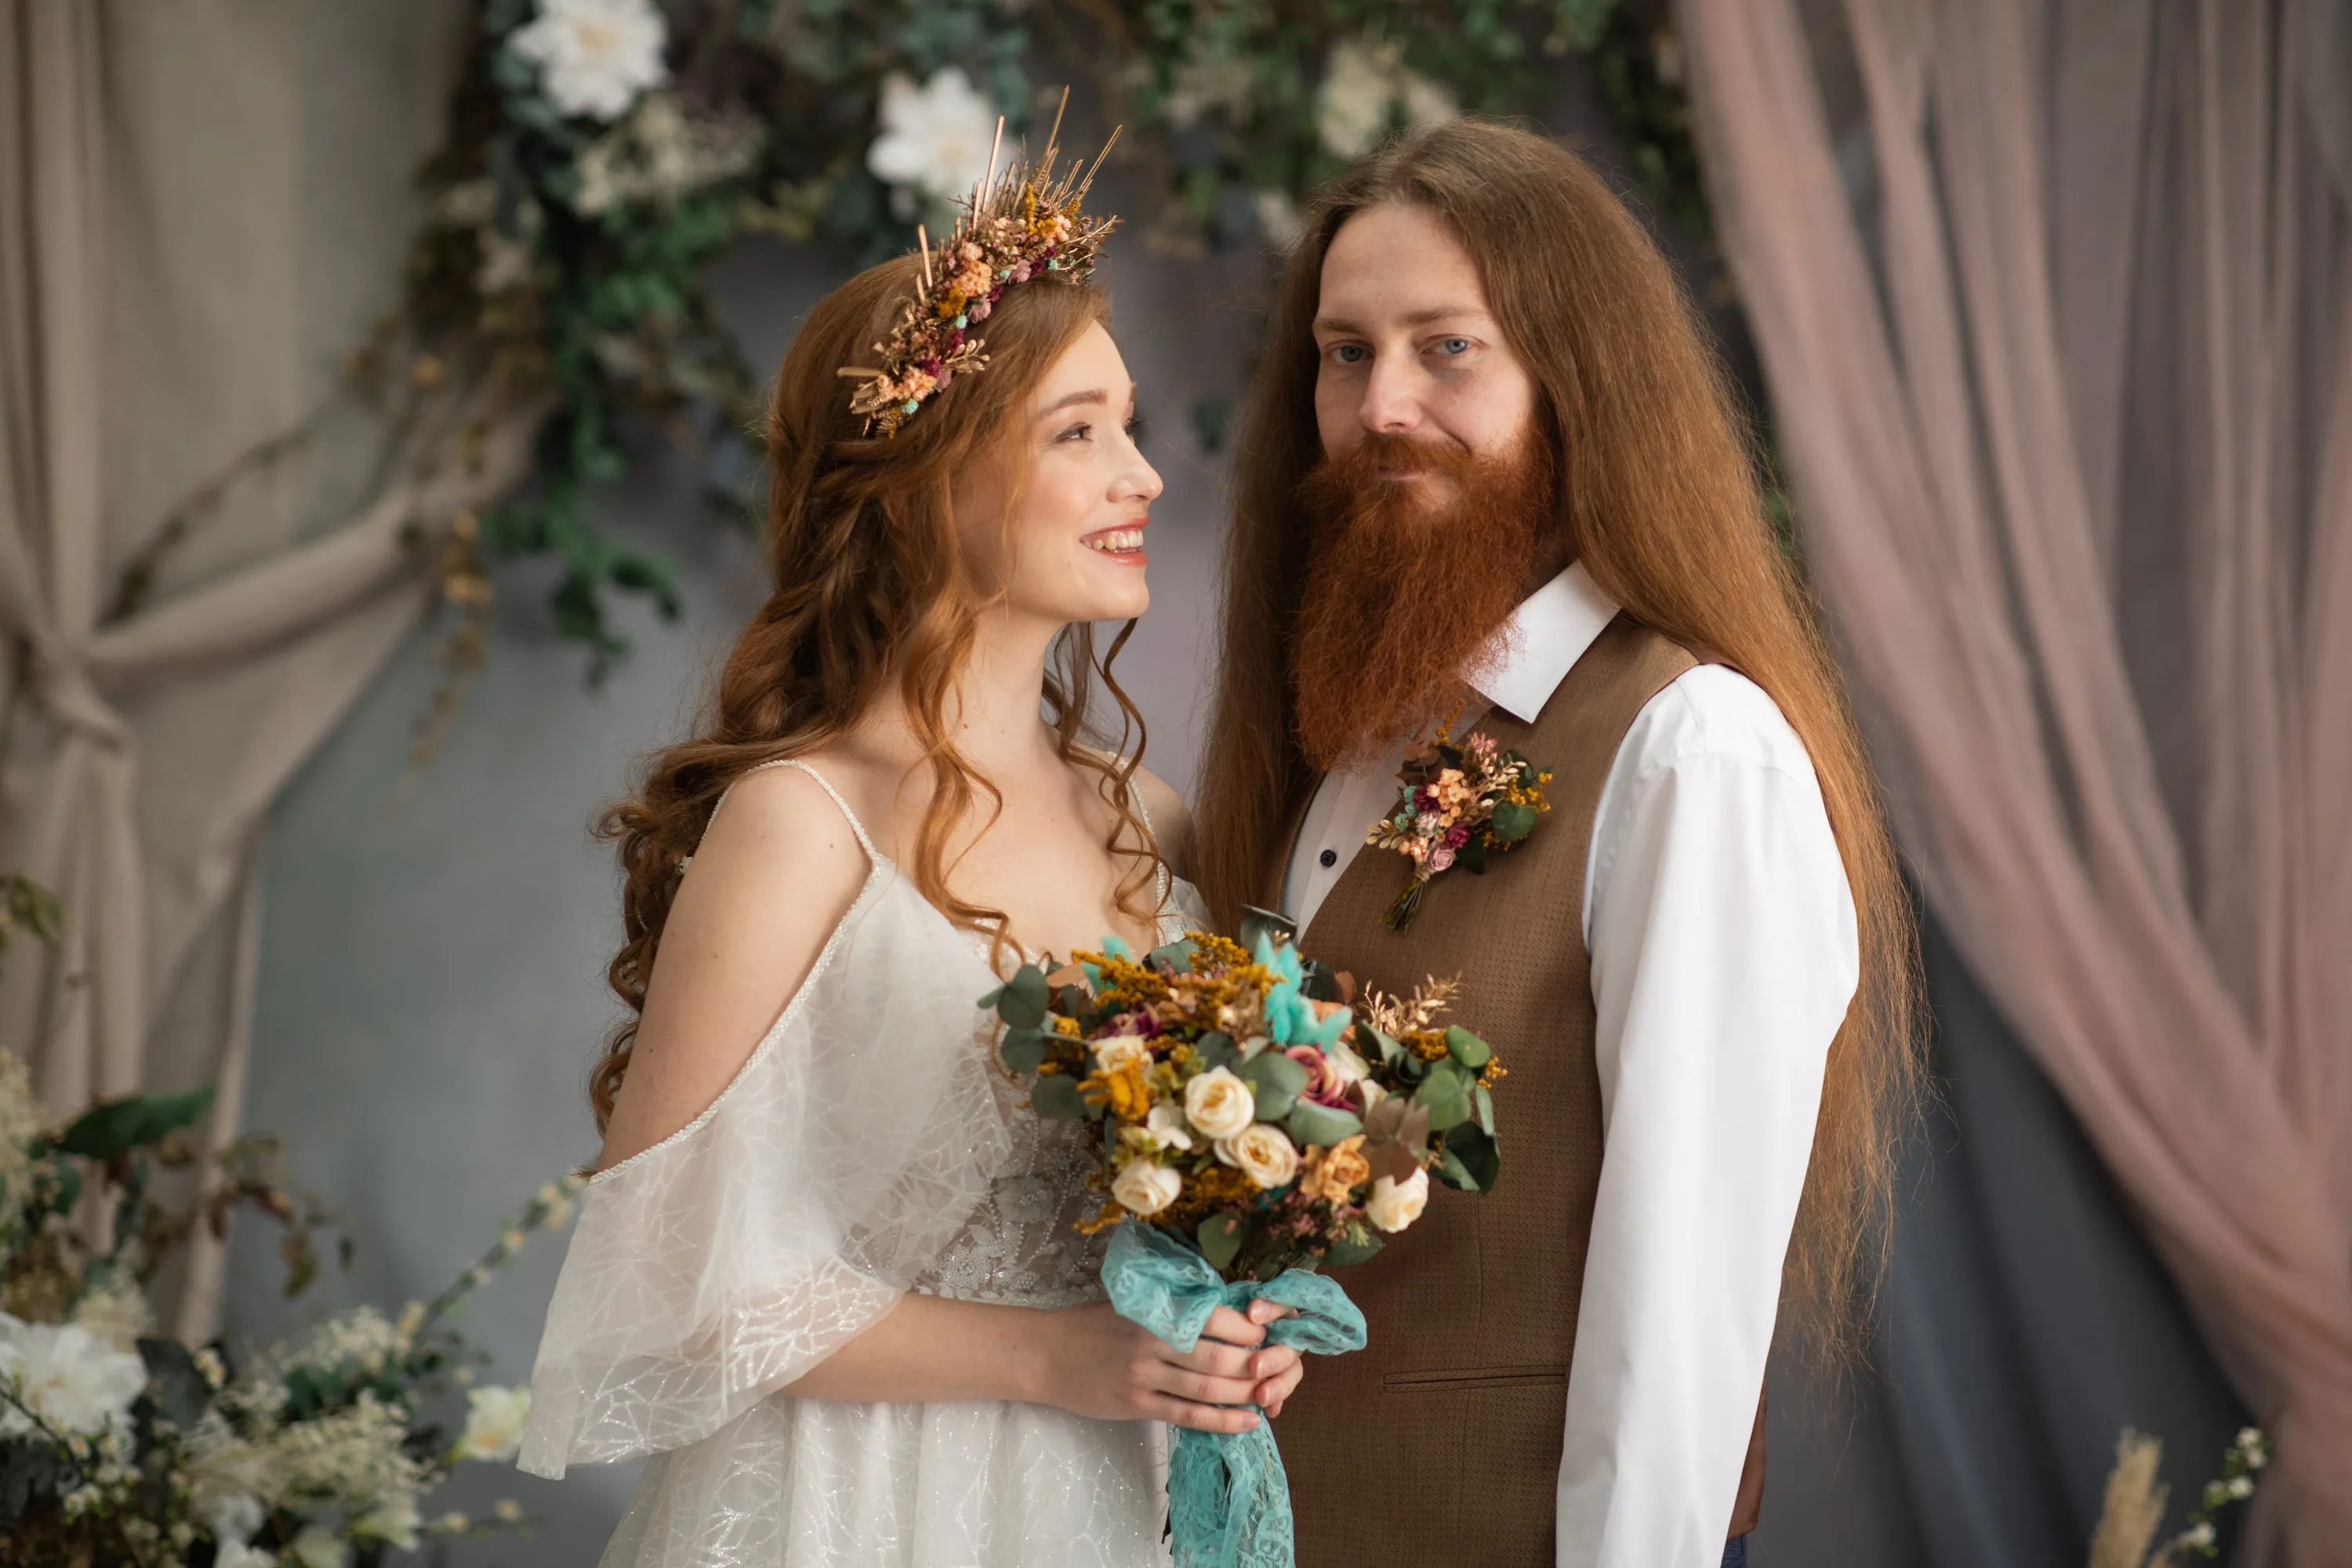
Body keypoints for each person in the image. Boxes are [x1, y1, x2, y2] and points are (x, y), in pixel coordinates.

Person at [516, 140, 1302, 1568]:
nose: (1141, 475)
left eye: (1128, 425)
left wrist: (1222, 1335)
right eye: (1077, 433)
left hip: (1108, 1504)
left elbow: (1169, 1224)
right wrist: (1054, 1360)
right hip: (855, 1507)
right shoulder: (803, 818)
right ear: (912, 482)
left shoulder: (1150, 822)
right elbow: (664, 1277)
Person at [1191, 120, 1922, 1568]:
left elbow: (1680, 1311)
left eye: (1444, 348)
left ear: (1575, 380)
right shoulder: (1353, 735)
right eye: (1346, 352)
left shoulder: (1688, 749)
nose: (1383, 402)